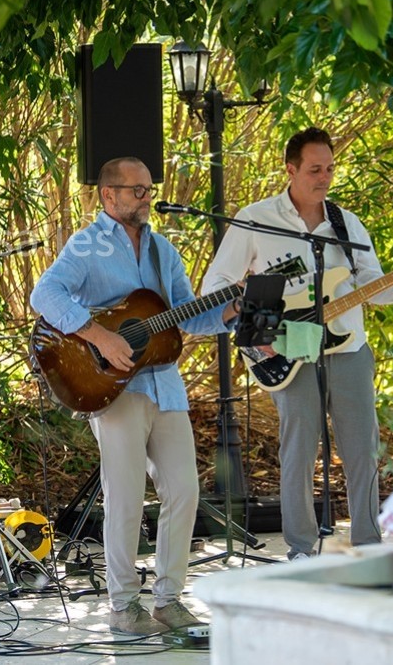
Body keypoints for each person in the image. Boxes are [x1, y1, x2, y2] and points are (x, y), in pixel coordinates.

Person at [200, 127, 393, 560]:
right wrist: (257, 323)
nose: (324, 177)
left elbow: (372, 284)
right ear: (290, 169)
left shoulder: (345, 224)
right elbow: (215, 284)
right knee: (298, 451)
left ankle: (368, 546)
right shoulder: (256, 220)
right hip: (289, 348)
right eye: (314, 169)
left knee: (362, 450)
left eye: (330, 168)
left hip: (348, 348)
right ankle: (300, 550)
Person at [30, 157, 239, 635]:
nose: (147, 197)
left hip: (165, 385)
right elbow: (46, 294)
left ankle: (168, 599)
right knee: (124, 498)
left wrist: (228, 309)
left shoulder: (164, 251)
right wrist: (100, 337)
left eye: (149, 188)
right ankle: (124, 605)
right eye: (138, 189)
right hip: (110, 388)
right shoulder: (87, 245)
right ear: (109, 196)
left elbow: (186, 315)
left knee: (184, 491)